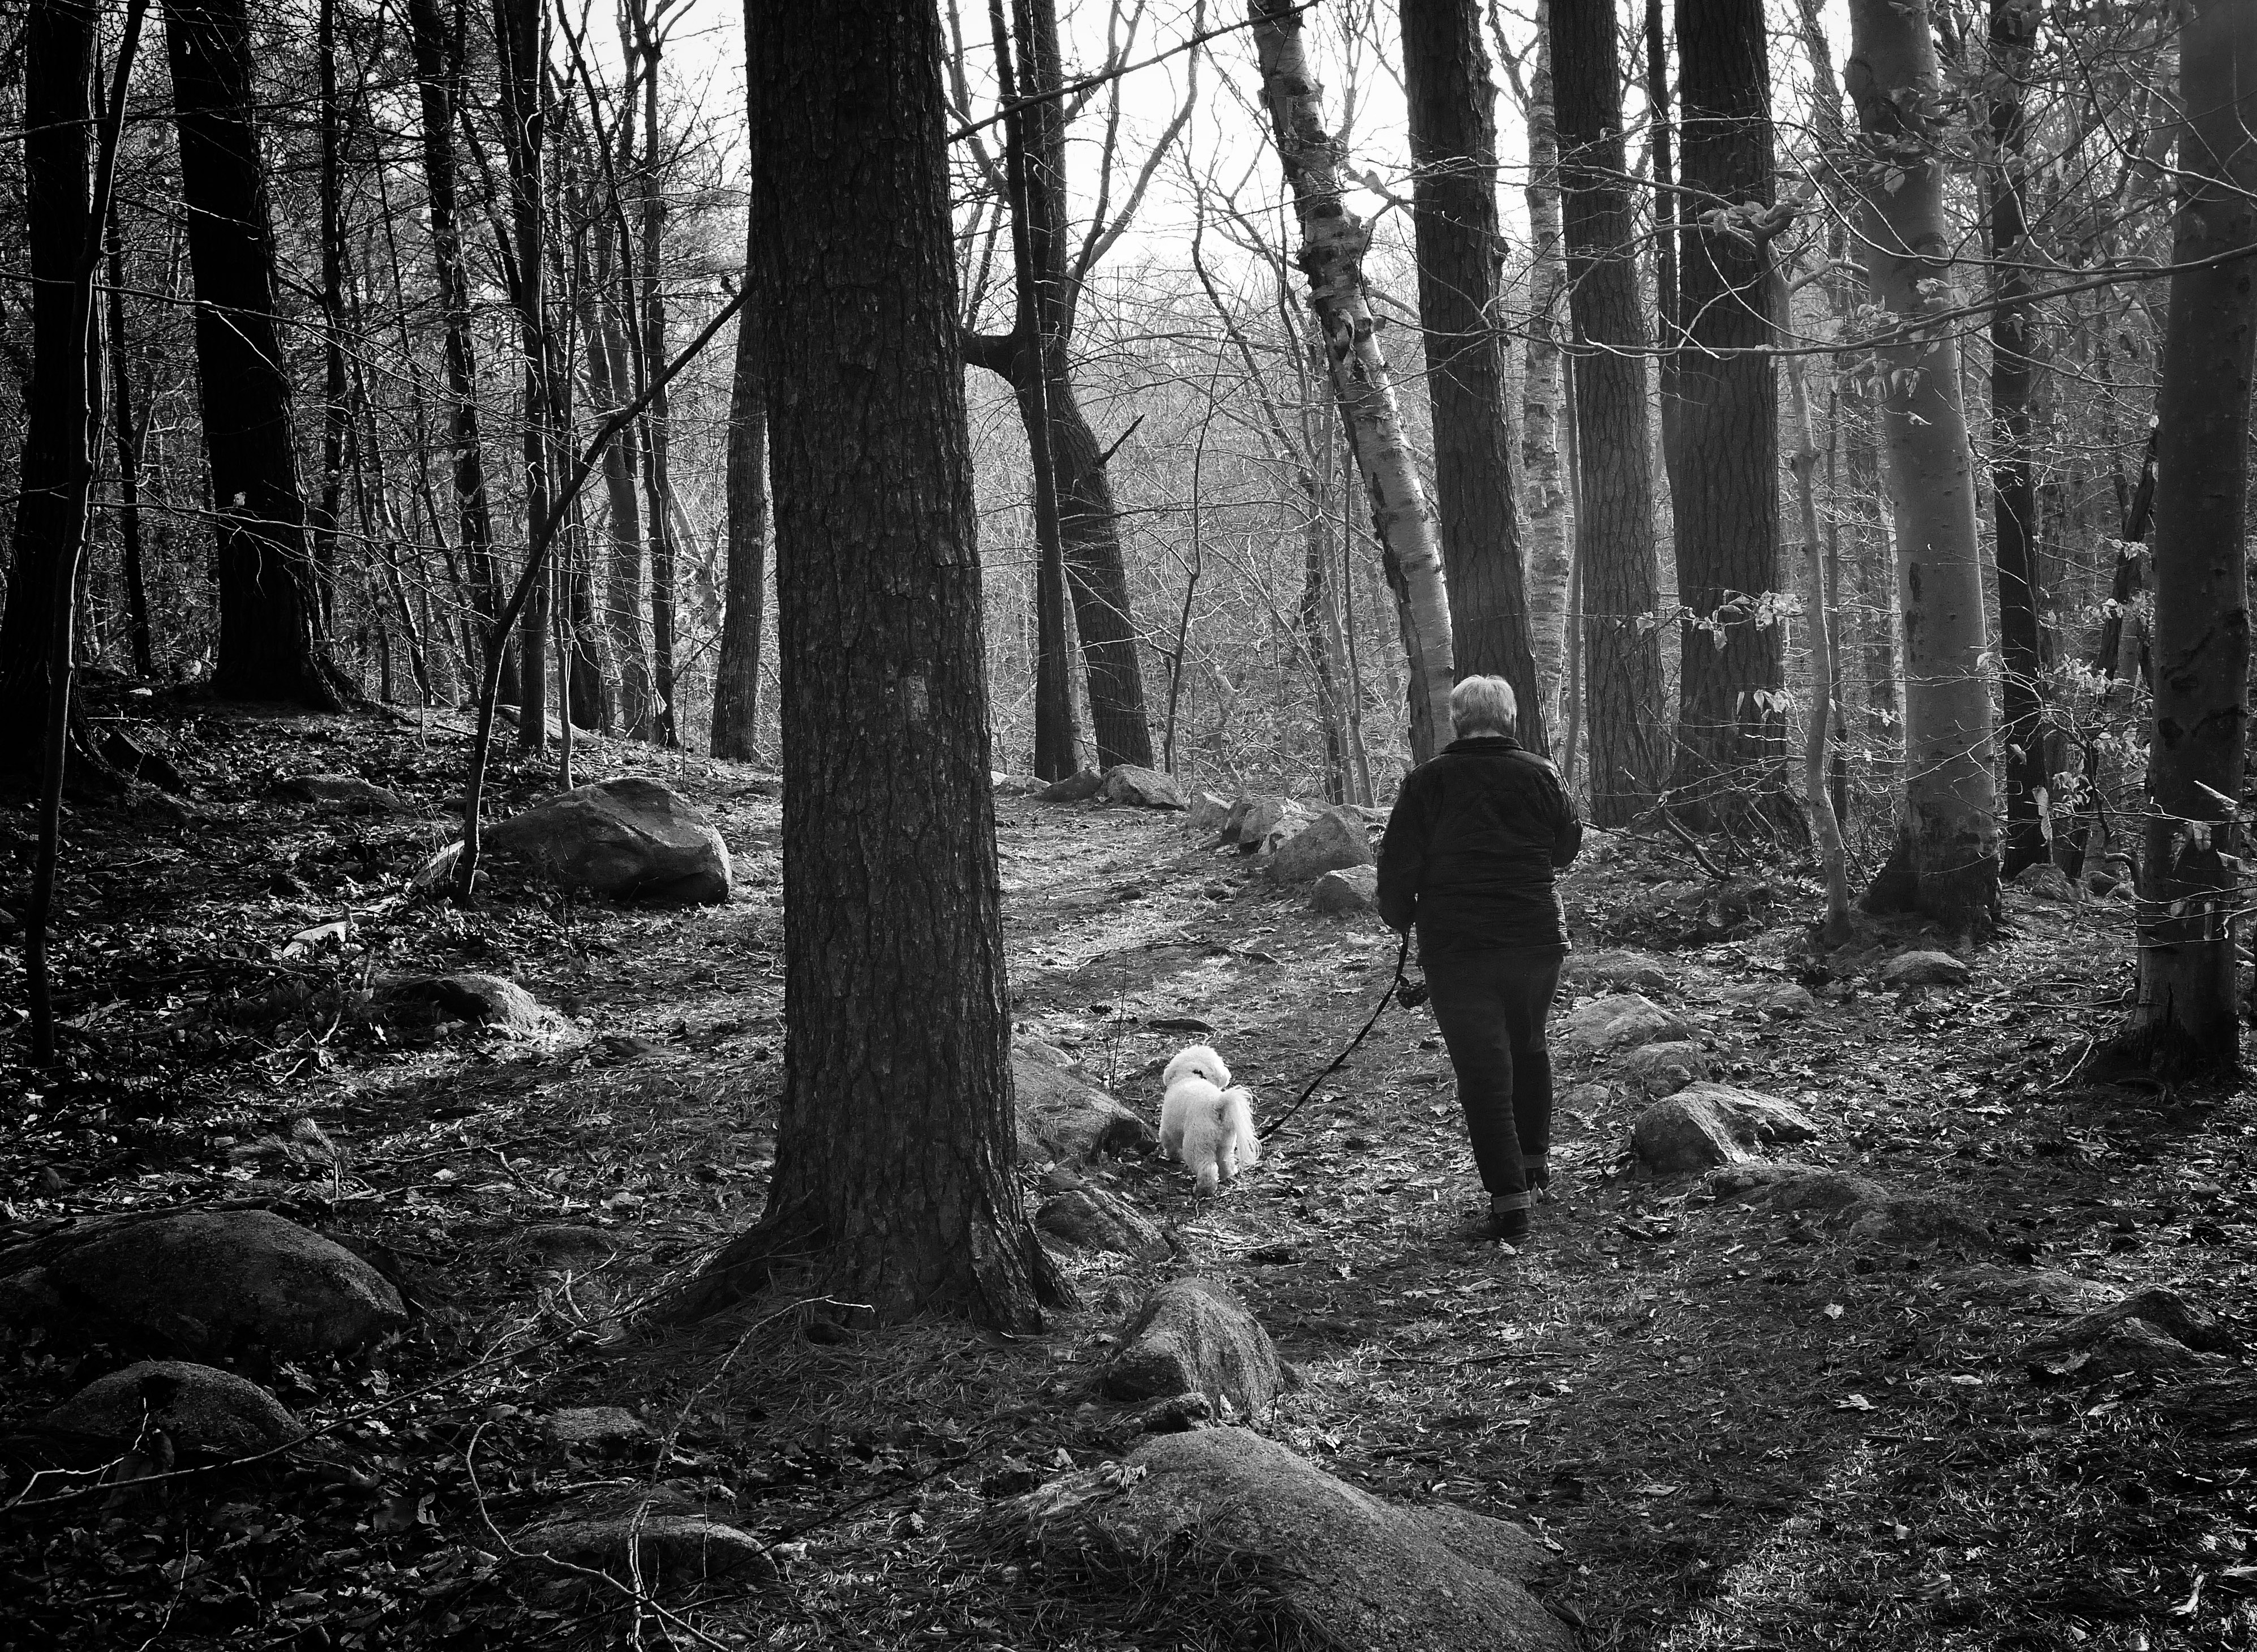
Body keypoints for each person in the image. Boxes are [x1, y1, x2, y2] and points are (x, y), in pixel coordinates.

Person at [1376, 675, 1583, 1244]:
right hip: (1535, 939)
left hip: (1458, 947)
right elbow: (1565, 848)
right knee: (1529, 1046)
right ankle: (1533, 1165)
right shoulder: (1543, 774)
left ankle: (1510, 1200)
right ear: (1510, 719)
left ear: (1458, 721)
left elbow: (1397, 867)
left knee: (1483, 1071)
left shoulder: (1426, 782)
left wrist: (1401, 916)